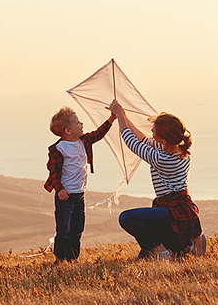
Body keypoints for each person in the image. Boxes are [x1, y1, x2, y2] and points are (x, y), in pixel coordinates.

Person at [111, 100, 206, 259]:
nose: (151, 133)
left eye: (154, 131)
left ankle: (162, 250)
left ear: (163, 140)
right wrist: (125, 117)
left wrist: (120, 115)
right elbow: (143, 140)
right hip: (178, 209)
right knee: (144, 256)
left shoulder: (162, 159)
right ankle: (189, 246)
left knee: (126, 218)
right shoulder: (178, 150)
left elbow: (132, 143)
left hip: (173, 210)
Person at [42, 107, 115, 262]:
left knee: (77, 228)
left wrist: (112, 118)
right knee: (64, 230)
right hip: (65, 197)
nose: (81, 124)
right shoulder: (58, 149)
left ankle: (73, 257)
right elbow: (53, 172)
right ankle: (61, 259)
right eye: (77, 122)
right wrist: (60, 189)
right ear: (68, 130)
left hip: (79, 195)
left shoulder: (83, 141)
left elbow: (98, 134)